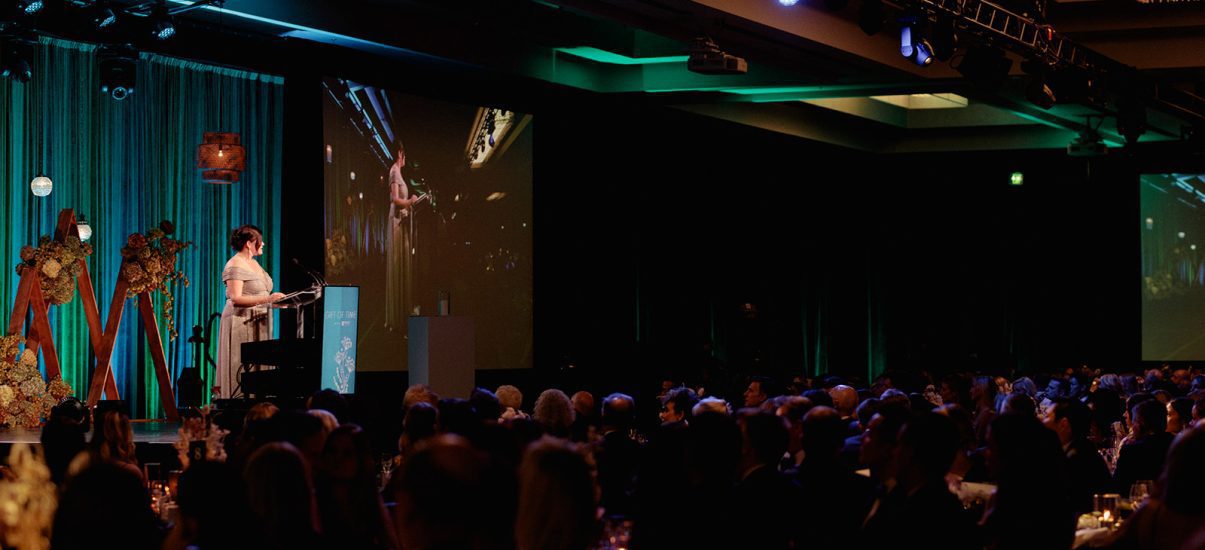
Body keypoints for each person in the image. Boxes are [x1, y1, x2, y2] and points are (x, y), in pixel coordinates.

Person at [216, 225, 284, 399]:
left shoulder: (253, 263)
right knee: (241, 366)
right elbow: (236, 299)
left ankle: (260, 406)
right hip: (241, 322)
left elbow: (261, 294)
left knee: (260, 368)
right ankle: (239, 406)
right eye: (259, 241)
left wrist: (277, 303)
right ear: (248, 243)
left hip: (259, 321)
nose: (264, 244)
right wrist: (268, 300)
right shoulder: (235, 264)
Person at [385, 140, 424, 331]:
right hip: (397, 223)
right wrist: (410, 201)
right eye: (404, 154)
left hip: (403, 222)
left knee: (401, 264)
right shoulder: (394, 171)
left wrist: (411, 203)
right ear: (400, 153)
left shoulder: (397, 172)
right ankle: (396, 316)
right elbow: (394, 199)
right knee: (397, 264)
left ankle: (402, 311)